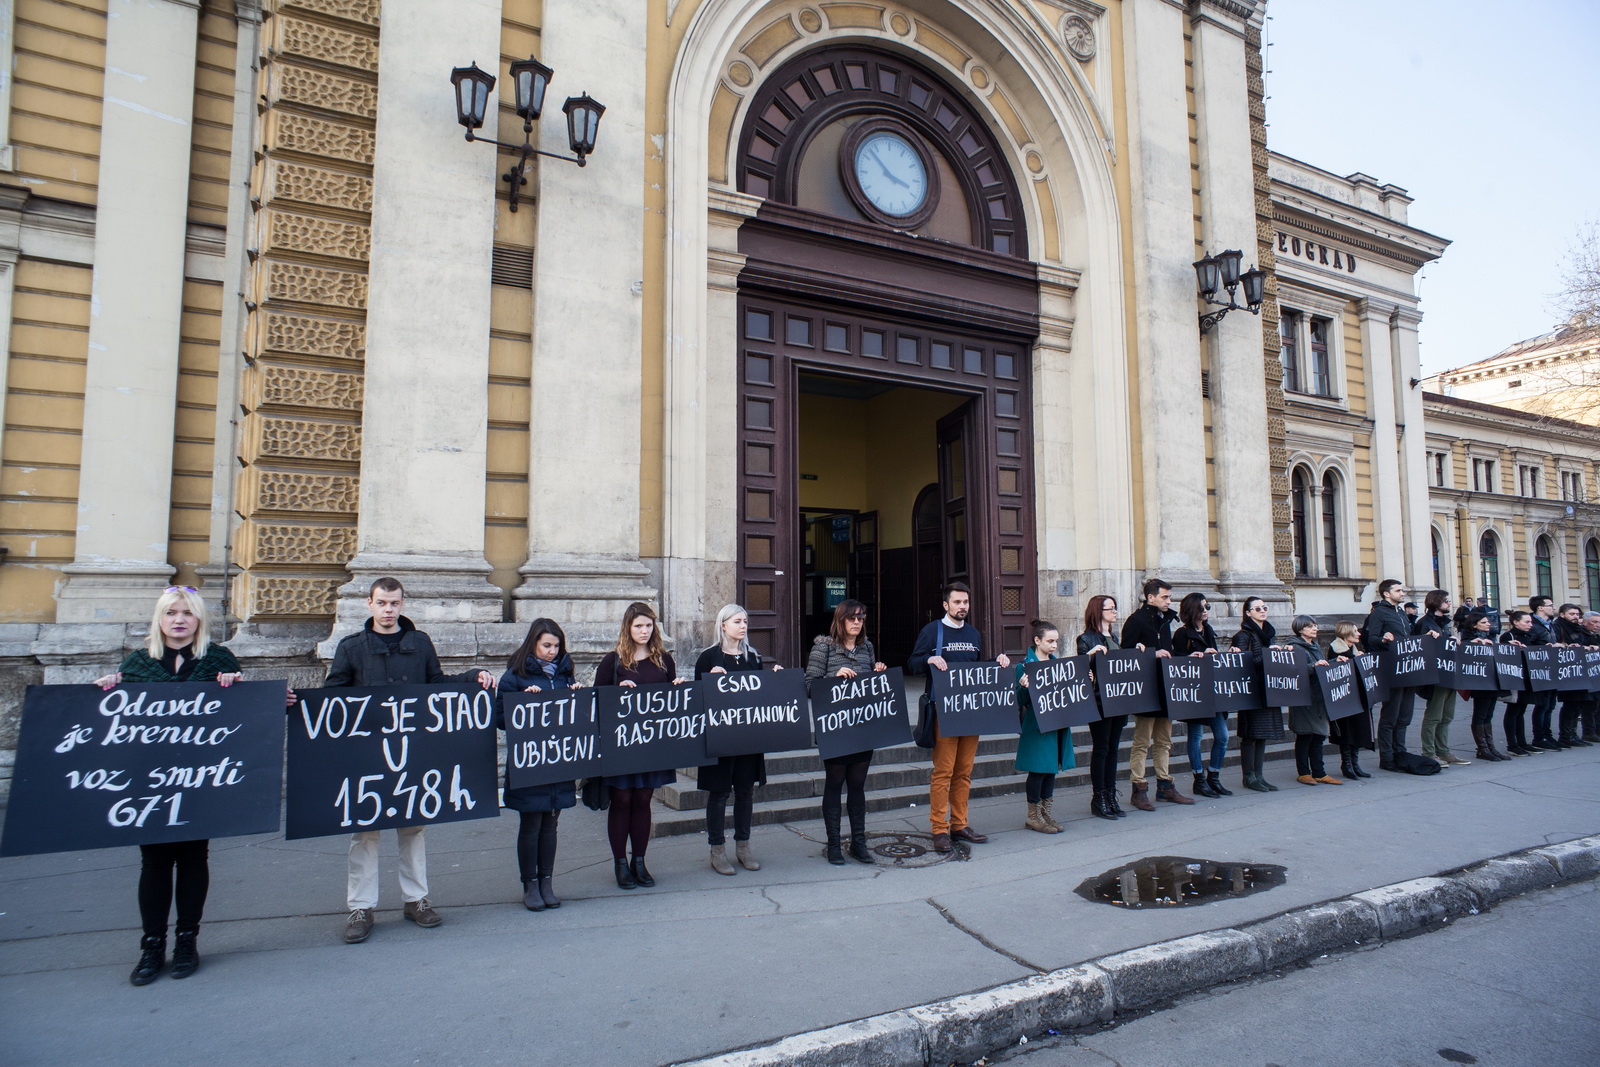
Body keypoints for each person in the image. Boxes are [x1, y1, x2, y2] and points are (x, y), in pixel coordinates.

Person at [325, 577, 497, 944]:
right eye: (382, 603)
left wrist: (472, 678)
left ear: (402, 604)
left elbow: (435, 684)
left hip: (412, 753)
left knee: (414, 828)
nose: (388, 610)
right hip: (369, 756)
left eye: (394, 603)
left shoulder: (419, 643)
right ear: (369, 604)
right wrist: (296, 704)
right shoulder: (351, 647)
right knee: (364, 832)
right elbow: (331, 700)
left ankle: (416, 899)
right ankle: (361, 907)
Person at [93, 587, 247, 986]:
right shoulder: (139, 663)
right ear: (159, 619)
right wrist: (109, 687)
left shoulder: (218, 660)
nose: (179, 620)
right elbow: (118, 721)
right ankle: (151, 945)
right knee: (155, 861)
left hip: (199, 779)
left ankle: (186, 941)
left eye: (187, 613)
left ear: (199, 620)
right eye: (171, 613)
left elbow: (243, 714)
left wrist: (236, 685)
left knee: (194, 857)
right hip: (151, 782)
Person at [909, 581, 1011, 853]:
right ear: (946, 605)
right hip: (943, 712)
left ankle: (960, 824)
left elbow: (974, 670)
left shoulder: (973, 634)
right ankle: (939, 828)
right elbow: (913, 663)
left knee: (964, 772)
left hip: (970, 712)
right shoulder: (932, 631)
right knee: (943, 772)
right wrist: (929, 660)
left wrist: (997, 662)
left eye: (965, 602)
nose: (962, 606)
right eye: (957, 602)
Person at [595, 601, 686, 889]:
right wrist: (616, 691)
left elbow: (672, 702)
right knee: (622, 800)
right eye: (638, 626)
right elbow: (596, 701)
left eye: (648, 625)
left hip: (652, 745)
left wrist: (678, 689)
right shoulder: (613, 661)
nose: (644, 631)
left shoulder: (664, 660)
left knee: (644, 799)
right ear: (628, 628)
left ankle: (639, 860)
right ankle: (620, 863)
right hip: (622, 745)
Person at [497, 618, 580, 911]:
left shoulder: (565, 674)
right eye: (546, 645)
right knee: (531, 823)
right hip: (530, 763)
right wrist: (522, 702)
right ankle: (529, 884)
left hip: (557, 761)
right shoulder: (515, 676)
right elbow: (500, 719)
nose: (552, 651)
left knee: (551, 825)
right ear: (533, 644)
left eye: (556, 646)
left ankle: (547, 881)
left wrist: (577, 696)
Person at [694, 604, 775, 875]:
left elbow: (761, 693)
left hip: (748, 737)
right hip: (720, 737)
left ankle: (743, 846)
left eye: (745, 622)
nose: (743, 626)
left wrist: (777, 680)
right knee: (719, 793)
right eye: (737, 621)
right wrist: (709, 681)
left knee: (745, 791)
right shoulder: (708, 658)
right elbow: (697, 699)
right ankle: (717, 849)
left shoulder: (753, 657)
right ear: (723, 625)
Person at [806, 599, 886, 864]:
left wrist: (878, 672)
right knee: (834, 783)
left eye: (861, 618)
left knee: (857, 785)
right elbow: (809, 686)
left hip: (862, 727)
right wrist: (833, 678)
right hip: (835, 727)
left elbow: (870, 686)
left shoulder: (867, 647)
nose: (857, 622)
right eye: (852, 618)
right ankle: (833, 844)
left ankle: (858, 843)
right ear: (840, 620)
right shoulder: (823, 648)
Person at [1120, 578, 1192, 809]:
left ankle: (1165, 786)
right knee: (1142, 742)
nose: (1169, 601)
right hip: (1145, 690)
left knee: (1164, 741)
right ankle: (1138, 788)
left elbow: (1169, 651)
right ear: (1150, 597)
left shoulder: (1166, 620)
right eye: (1165, 597)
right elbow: (1125, 654)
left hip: (1165, 687)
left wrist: (1188, 658)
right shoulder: (1136, 620)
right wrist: (1152, 653)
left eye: (1169, 597)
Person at [1015, 619, 1074, 834]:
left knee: (1050, 770)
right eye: (1050, 641)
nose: (1054, 645)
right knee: (1038, 770)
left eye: (1056, 641)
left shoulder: (1059, 666)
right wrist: (1023, 687)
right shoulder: (1024, 666)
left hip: (1057, 723)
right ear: (1037, 641)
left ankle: (1045, 813)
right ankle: (1033, 816)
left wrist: (1086, 679)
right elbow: (1018, 700)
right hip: (1036, 725)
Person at [1172, 592, 1230, 800]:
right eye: (1202, 607)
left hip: (1212, 690)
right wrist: (1192, 657)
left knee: (1222, 736)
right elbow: (1176, 660)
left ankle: (1214, 775)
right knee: (1195, 736)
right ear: (1192, 610)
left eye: (1208, 607)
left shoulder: (1208, 630)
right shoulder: (1182, 634)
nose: (1206, 611)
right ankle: (1199, 779)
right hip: (1194, 692)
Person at [1078, 595, 1128, 820]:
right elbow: (1079, 670)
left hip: (1117, 700)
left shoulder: (1114, 637)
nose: (1115, 612)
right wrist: (1090, 656)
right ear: (1099, 611)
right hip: (1099, 701)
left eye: (1115, 608)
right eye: (1111, 608)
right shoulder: (1086, 639)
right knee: (1101, 748)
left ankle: (1110, 794)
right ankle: (1099, 798)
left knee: (1113, 749)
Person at [1231, 597, 1288, 790]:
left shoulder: (1268, 633)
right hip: (1251, 690)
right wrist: (1267, 654)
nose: (1263, 611)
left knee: (1262, 734)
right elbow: (1241, 663)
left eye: (1264, 607)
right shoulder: (1243, 635)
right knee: (1250, 735)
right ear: (1248, 613)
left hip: (1267, 689)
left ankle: (1259, 775)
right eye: (1257, 609)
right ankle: (1249, 777)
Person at [1362, 579, 1417, 771]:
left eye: (1402, 590)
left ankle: (1400, 752)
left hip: (1407, 667)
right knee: (1390, 715)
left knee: (1405, 715)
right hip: (1391, 668)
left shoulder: (1401, 612)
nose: (1402, 593)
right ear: (1387, 593)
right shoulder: (1379, 613)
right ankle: (1387, 757)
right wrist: (1384, 639)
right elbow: (1371, 639)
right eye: (1398, 590)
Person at [1284, 615, 1341, 785]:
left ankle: (1319, 772)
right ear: (1300, 629)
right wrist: (1313, 667)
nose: (1315, 629)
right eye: (1310, 626)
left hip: (1317, 698)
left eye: (1315, 625)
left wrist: (1334, 661)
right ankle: (1303, 772)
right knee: (1305, 736)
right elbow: (1294, 670)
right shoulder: (1295, 647)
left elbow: (1321, 665)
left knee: (1318, 736)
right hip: (1304, 698)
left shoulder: (1313, 645)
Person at [1415, 590, 1469, 767]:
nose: (1449, 604)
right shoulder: (1425, 623)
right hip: (1436, 676)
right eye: (1446, 601)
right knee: (1434, 716)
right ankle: (1429, 752)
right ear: (1436, 602)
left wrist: (1450, 639)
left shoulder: (1443, 623)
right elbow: (1420, 647)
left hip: (1448, 674)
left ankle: (1443, 751)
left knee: (1447, 715)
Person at [1459, 611, 1510, 762]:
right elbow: (1462, 655)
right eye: (1484, 622)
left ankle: (1490, 747)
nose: (1488, 624)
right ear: (1474, 625)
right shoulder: (1468, 639)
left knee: (1489, 714)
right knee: (1480, 714)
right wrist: (1472, 644)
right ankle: (1482, 748)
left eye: (1488, 622)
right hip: (1479, 683)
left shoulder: (1489, 638)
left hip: (1491, 680)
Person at [1325, 622, 1373, 778]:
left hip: (1358, 697)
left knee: (1358, 729)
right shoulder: (1336, 650)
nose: (1359, 634)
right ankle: (1346, 764)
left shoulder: (1354, 649)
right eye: (1355, 631)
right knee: (1347, 731)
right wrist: (1355, 659)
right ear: (1346, 633)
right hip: (1345, 698)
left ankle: (1354, 763)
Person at [1500, 610, 1544, 755]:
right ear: (1516, 622)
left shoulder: (1528, 636)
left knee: (1521, 710)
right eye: (1527, 622)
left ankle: (1522, 742)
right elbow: (1502, 654)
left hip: (1526, 677)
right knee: (1513, 710)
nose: (1530, 625)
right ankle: (1512, 745)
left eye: (1531, 622)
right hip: (1515, 677)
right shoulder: (1508, 636)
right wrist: (1510, 646)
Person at [1552, 604, 1592, 747]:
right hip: (1566, 671)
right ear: (1562, 615)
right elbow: (1553, 645)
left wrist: (1588, 647)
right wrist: (1568, 646)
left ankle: (1572, 734)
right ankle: (1565, 736)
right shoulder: (1557, 627)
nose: (1575, 616)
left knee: (1578, 703)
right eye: (1571, 614)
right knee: (1570, 704)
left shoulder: (1578, 628)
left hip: (1579, 670)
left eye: (1577, 614)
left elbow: (1585, 641)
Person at [1526, 597, 1562, 749]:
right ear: (1540, 608)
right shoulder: (1533, 625)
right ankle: (1539, 737)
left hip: (1550, 668)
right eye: (1550, 605)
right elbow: (1529, 646)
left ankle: (1547, 735)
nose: (1553, 608)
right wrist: (1547, 647)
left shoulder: (1548, 624)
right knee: (1542, 705)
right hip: (1540, 670)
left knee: (1550, 705)